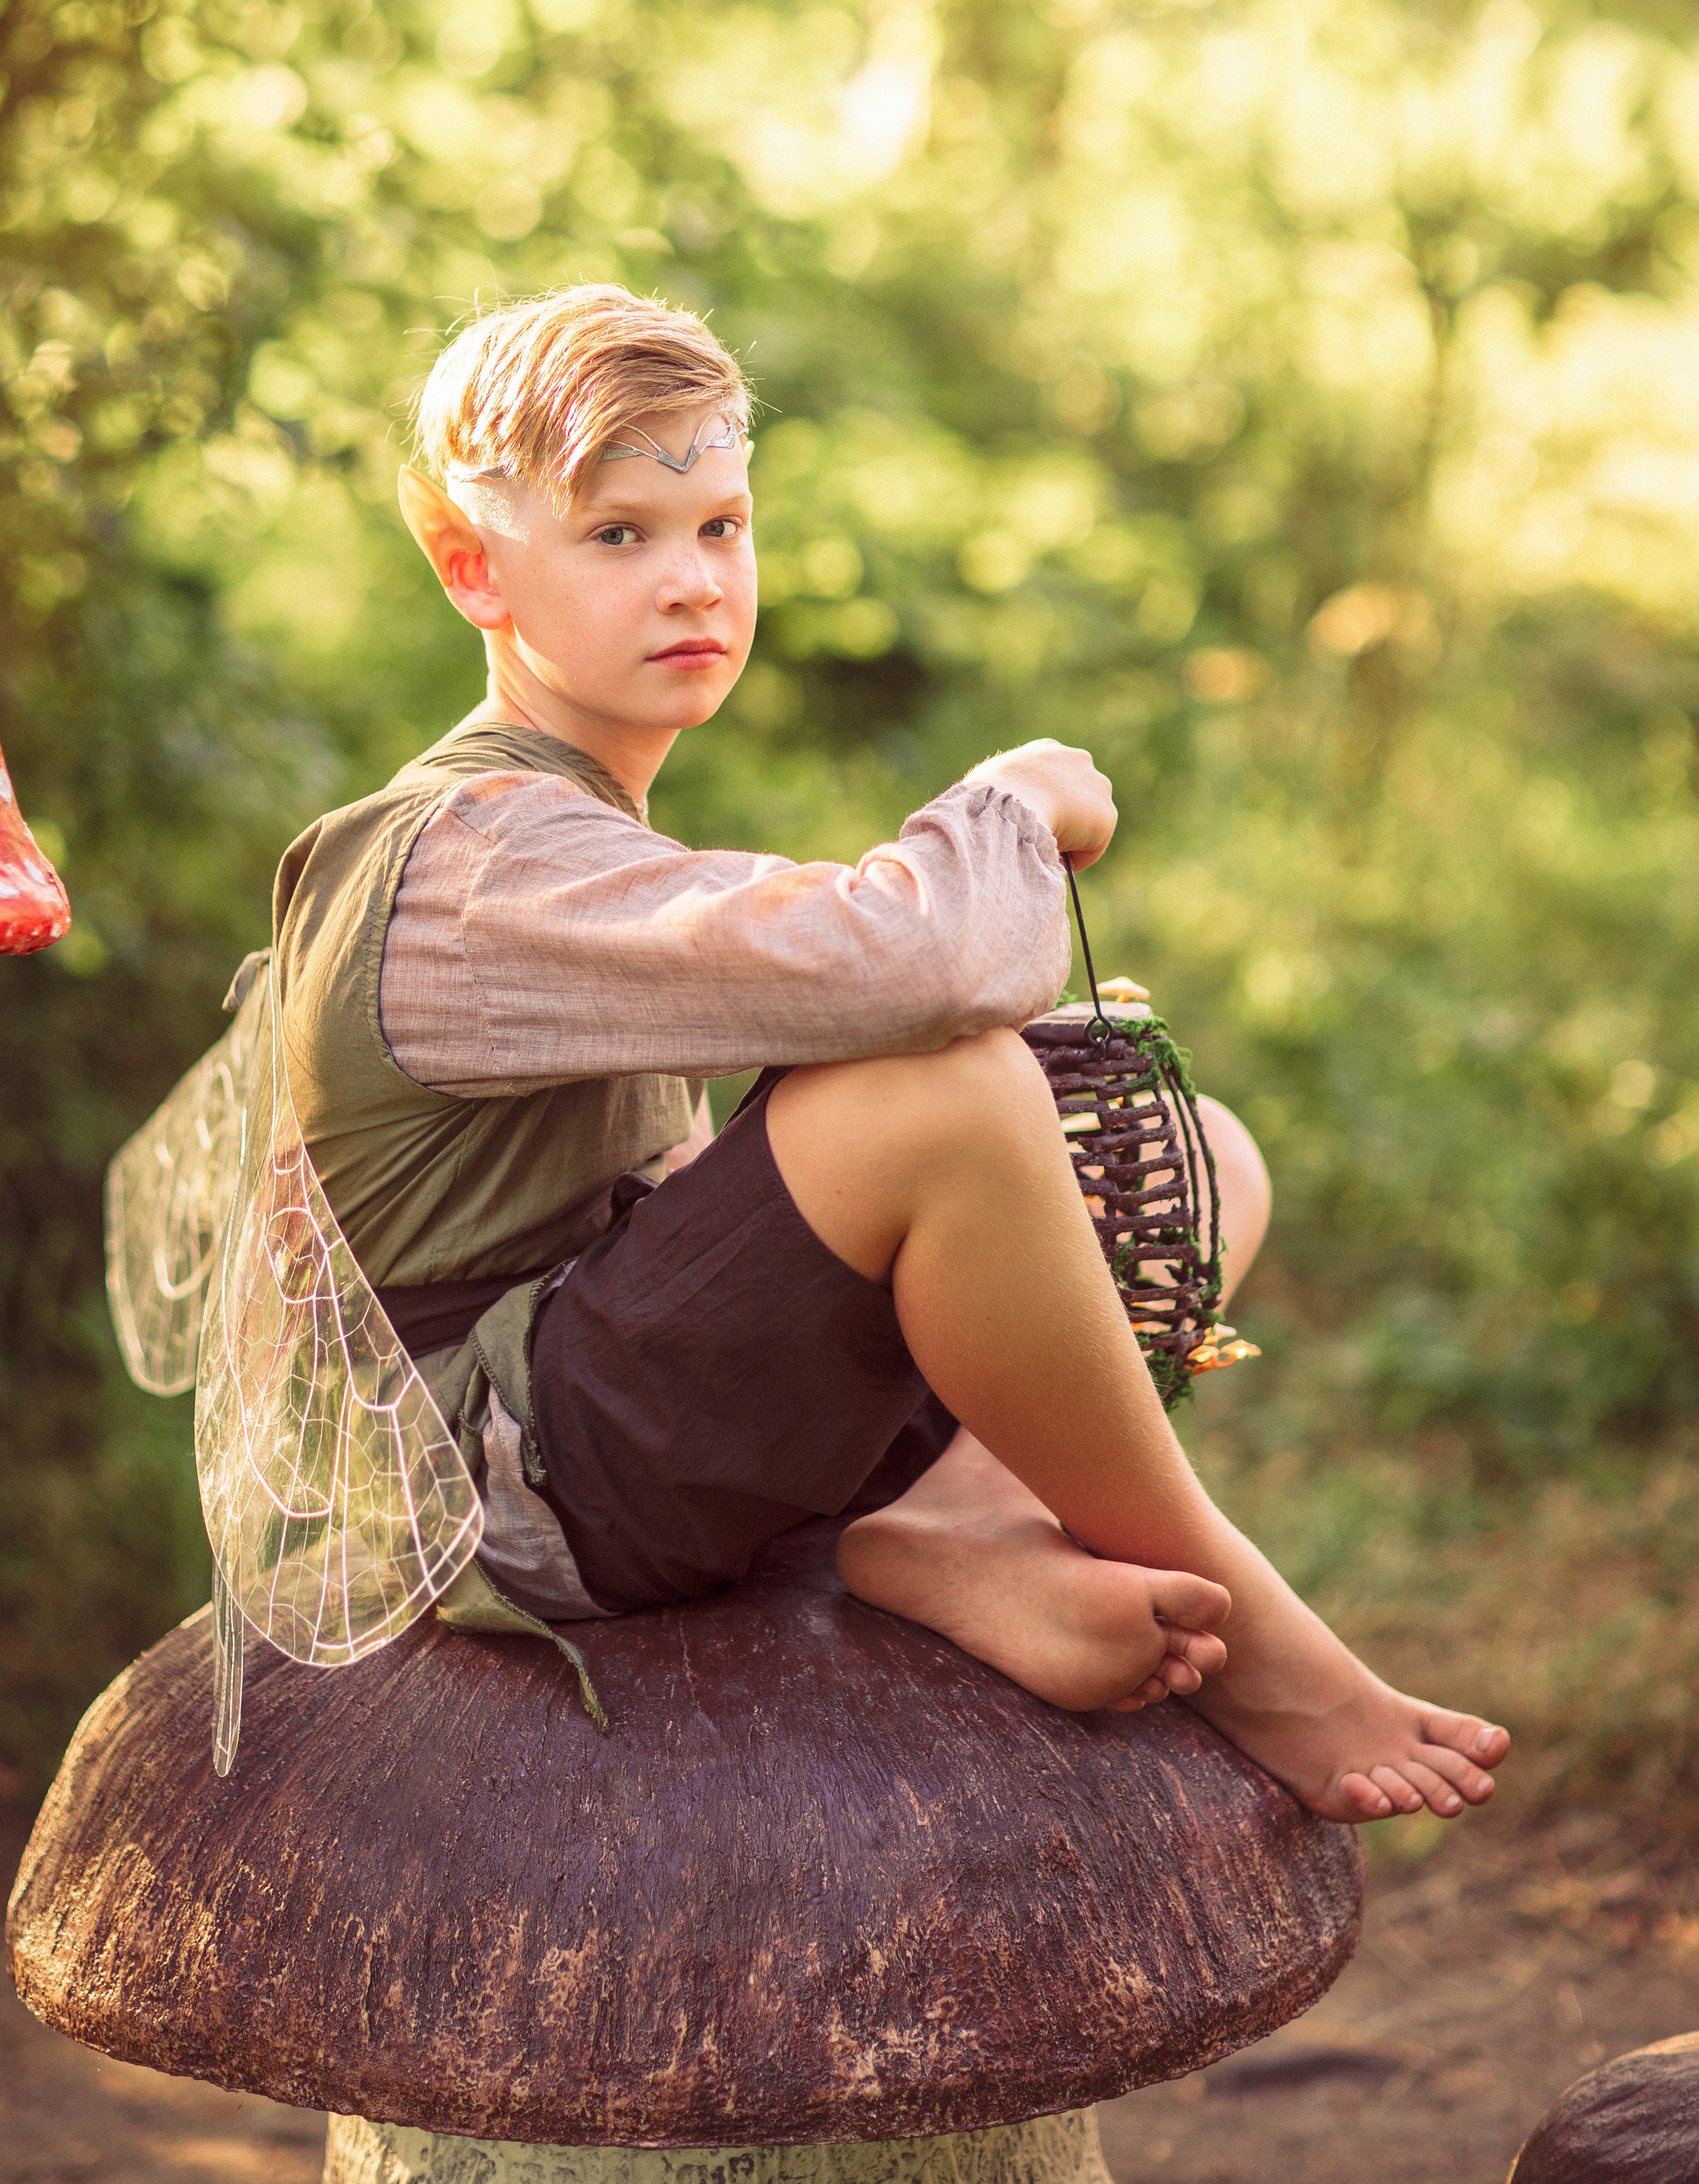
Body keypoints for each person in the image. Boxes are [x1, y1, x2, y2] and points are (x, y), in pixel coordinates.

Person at [272, 281, 1507, 1828]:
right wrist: (1007, 796)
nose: (688, 583)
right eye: (616, 535)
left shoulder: (576, 831)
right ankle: (1252, 1624)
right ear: (474, 570)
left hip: (609, 1400)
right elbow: (926, 964)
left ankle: (957, 1517)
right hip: (494, 1488)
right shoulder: (471, 861)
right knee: (942, 1085)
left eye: (719, 526)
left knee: (1163, 1120)